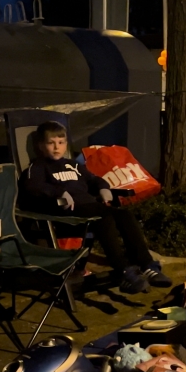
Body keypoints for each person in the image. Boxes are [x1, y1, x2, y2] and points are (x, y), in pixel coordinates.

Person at [19, 121, 171, 294]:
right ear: (40, 145)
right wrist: (58, 192)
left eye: (61, 143)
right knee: (104, 217)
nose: (56, 147)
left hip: (91, 208)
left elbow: (94, 179)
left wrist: (103, 187)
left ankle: (147, 266)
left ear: (66, 144)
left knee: (124, 214)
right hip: (67, 213)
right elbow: (33, 187)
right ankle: (123, 270)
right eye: (51, 143)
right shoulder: (37, 167)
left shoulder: (74, 165)